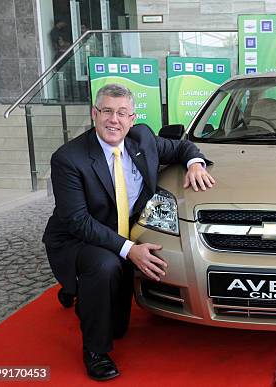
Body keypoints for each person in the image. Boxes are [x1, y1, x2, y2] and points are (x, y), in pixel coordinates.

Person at [42, 84, 216, 381]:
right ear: (94, 114)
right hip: (79, 237)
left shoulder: (143, 138)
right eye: (107, 111)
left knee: (120, 327)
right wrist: (129, 249)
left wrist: (194, 164)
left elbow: (181, 147)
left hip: (121, 230)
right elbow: (78, 221)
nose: (114, 120)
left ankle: (84, 295)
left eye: (122, 113)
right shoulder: (69, 159)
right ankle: (95, 351)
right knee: (105, 265)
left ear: (132, 118)